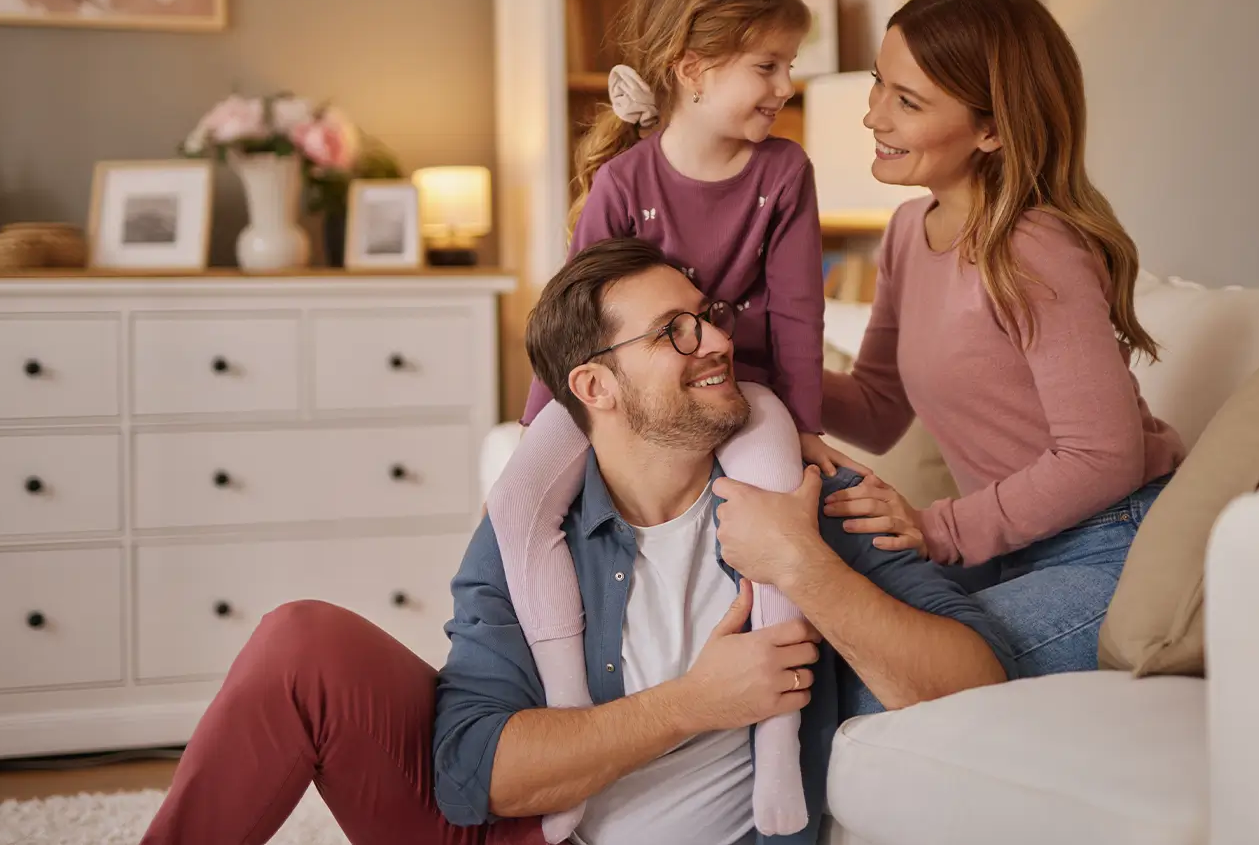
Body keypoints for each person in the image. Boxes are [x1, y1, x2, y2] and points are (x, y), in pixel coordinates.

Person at [140, 237, 1014, 845]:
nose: (716, 341)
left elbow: (977, 686)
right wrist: (693, 704)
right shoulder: (530, 533)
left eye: (706, 315)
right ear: (594, 385)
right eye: (674, 332)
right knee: (302, 640)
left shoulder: (811, 499)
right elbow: (468, 772)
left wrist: (800, 566)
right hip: (533, 839)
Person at [486, 0, 850, 839]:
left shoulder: (784, 175)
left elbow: (800, 315)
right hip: (630, 389)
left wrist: (801, 429)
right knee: (516, 492)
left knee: (779, 511)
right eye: (766, 65)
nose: (783, 85)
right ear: (693, 69)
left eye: (787, 67)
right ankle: (568, 712)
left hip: (743, 393)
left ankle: (775, 751)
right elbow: (572, 319)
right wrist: (549, 433)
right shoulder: (623, 183)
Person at [820, 0, 1188, 676]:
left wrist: (938, 529)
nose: (873, 118)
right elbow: (875, 410)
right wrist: (756, 361)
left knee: (879, 677)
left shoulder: (1032, 246)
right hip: (1015, 548)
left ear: (991, 129)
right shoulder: (907, 232)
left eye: (907, 101)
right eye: (878, 84)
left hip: (1115, 547)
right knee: (824, 648)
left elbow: (1104, 457)